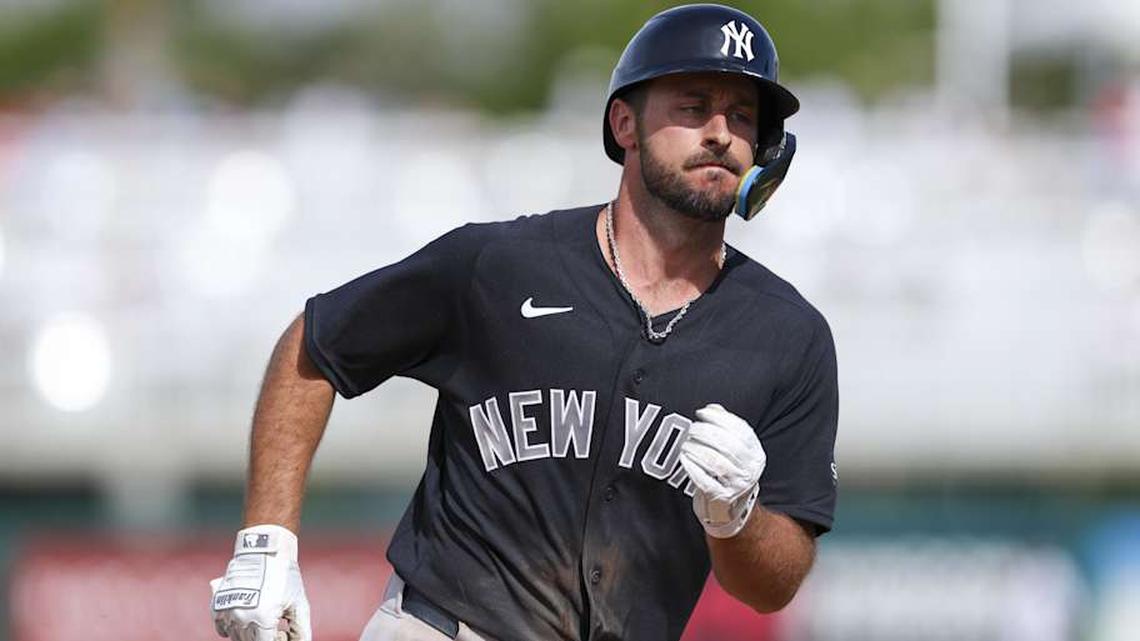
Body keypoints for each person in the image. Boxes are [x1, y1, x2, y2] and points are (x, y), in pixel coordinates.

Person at [209, 4, 838, 641]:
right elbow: (317, 346)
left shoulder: (788, 335)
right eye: (692, 105)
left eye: (741, 115)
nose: (720, 133)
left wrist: (738, 517)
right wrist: (266, 542)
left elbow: (773, 585)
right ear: (624, 122)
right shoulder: (501, 265)